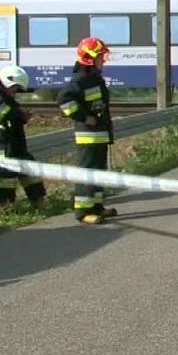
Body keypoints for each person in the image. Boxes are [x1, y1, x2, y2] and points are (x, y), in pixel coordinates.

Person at [0, 65, 46, 209]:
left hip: (7, 140)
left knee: (29, 165)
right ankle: (6, 205)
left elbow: (13, 112)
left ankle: (38, 201)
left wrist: (22, 116)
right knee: (8, 169)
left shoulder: (0, 92)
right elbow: (1, 111)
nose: (15, 92)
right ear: (7, 81)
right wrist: (19, 114)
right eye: (15, 88)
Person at [57, 36, 115, 225]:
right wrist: (84, 117)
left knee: (98, 172)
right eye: (100, 57)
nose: (103, 60)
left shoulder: (93, 77)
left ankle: (96, 206)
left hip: (99, 134)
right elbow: (64, 101)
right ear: (89, 59)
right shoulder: (80, 79)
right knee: (87, 172)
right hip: (88, 136)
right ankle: (82, 212)